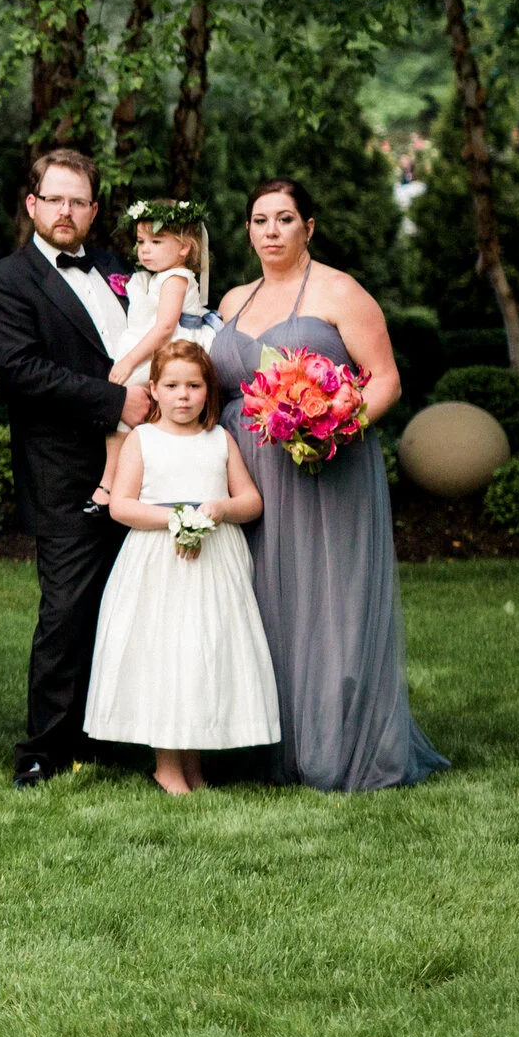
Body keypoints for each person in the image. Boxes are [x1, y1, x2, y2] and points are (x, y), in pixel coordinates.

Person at [213, 178, 447, 791]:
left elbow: (385, 380)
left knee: (328, 600)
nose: (271, 231)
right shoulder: (235, 297)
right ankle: (267, 742)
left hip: (325, 469)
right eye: (260, 220)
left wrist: (333, 430)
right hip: (248, 472)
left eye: (285, 218)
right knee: (260, 600)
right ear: (247, 231)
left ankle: (338, 744)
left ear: (308, 227)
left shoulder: (341, 291)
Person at [0, 147, 155, 787]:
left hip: (146, 464)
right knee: (68, 609)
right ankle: (43, 748)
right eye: (54, 199)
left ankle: (116, 733)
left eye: (78, 201)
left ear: (94, 210)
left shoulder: (118, 269)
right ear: (32, 205)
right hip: (65, 469)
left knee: (133, 601)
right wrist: (116, 402)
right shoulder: (6, 280)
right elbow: (21, 373)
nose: (65, 211)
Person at [83, 341, 278, 794]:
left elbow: (251, 502)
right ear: (153, 390)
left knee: (201, 654)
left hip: (215, 564)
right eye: (171, 386)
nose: (183, 396)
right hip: (158, 564)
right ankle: (166, 765)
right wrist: (175, 520)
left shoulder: (219, 441)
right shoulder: (141, 440)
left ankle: (193, 761)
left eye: (194, 386)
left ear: (209, 391)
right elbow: (122, 506)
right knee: (165, 655)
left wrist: (218, 510)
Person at [89, 198, 214, 499]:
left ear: (184, 247)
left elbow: (165, 327)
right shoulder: (159, 276)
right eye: (141, 241)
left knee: (122, 398)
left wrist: (130, 362)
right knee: (128, 407)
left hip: (173, 348)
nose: (145, 249)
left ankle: (110, 481)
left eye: (156, 241)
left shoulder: (176, 277)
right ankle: (117, 479)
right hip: (163, 346)